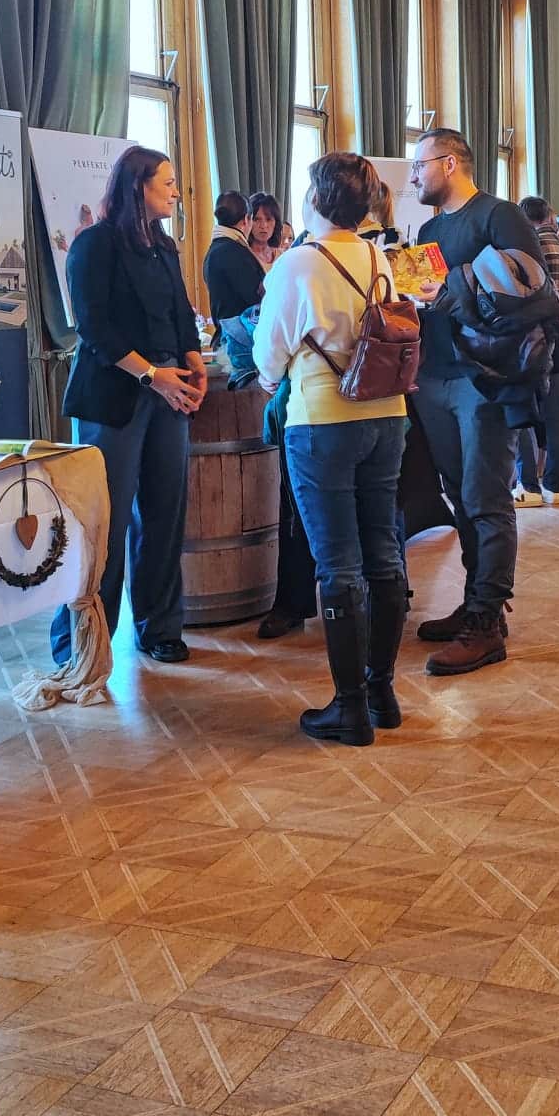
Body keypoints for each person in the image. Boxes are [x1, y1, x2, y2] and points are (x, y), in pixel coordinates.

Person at [253, 153, 411, 747]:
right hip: (387, 417)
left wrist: (278, 377)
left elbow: (268, 360)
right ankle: (381, 692)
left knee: (337, 564)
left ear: (316, 199)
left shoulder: (296, 264)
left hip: (322, 422)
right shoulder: (378, 257)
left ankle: (349, 709)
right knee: (383, 551)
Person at [53, 147, 206, 665]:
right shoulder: (94, 245)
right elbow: (93, 328)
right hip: (113, 397)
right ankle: (83, 643)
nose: (175, 190)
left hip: (170, 390)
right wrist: (151, 374)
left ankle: (160, 627)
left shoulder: (164, 247)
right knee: (103, 524)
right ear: (138, 185)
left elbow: (182, 313)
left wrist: (192, 359)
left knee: (164, 516)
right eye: (167, 181)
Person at [407, 128, 543, 674]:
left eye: (420, 165)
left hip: (484, 378)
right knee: (459, 495)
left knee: (486, 497)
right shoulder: (432, 226)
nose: (414, 175)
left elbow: (526, 291)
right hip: (436, 375)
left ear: (450, 163)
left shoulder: (500, 215)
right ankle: (474, 602)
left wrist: (447, 294)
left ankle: (487, 622)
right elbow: (429, 300)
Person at [514, 196, 559, 506]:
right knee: (556, 412)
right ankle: (554, 486)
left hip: (530, 343)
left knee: (523, 412)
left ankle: (528, 486)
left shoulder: (525, 251)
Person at [203, 188, 266, 383]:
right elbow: (255, 299)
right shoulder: (233, 251)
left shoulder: (216, 249)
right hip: (240, 349)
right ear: (246, 219)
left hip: (228, 341)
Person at [248, 192, 283, 272]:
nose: (263, 226)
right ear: (248, 221)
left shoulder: (282, 256)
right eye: (256, 219)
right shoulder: (244, 256)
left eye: (268, 219)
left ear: (276, 223)